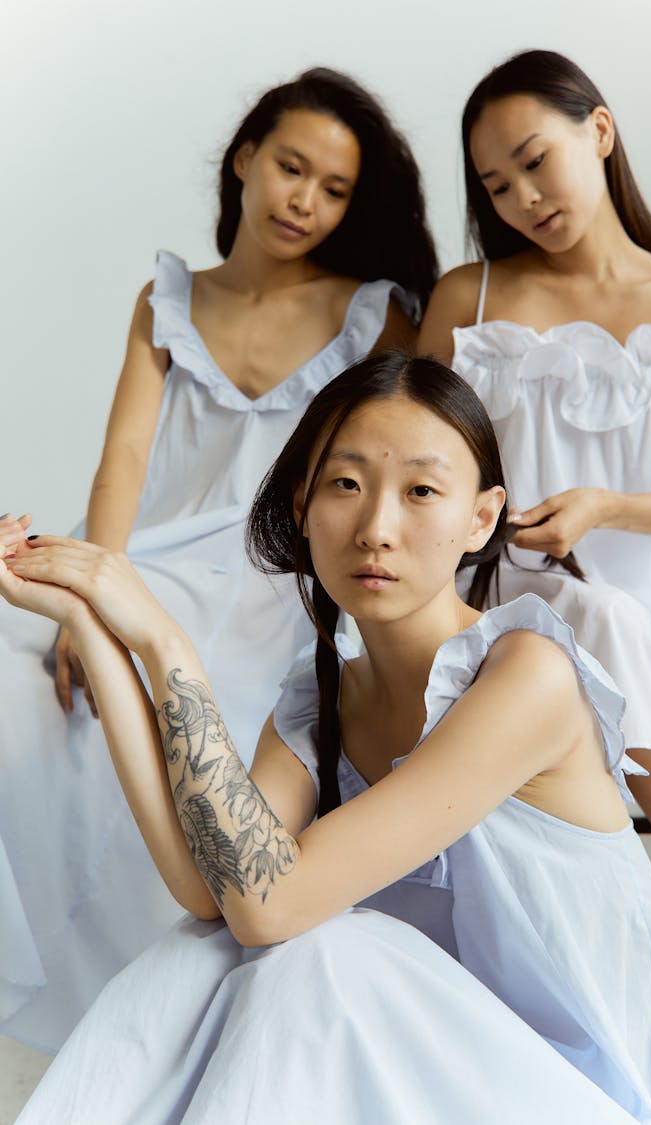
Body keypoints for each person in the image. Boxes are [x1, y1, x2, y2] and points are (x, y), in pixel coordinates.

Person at [1, 353, 651, 1124]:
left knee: (321, 950)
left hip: (576, 1086)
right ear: (302, 503)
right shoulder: (322, 695)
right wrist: (95, 628)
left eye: (422, 491)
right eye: (345, 484)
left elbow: (271, 906)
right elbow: (213, 889)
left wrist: (167, 641)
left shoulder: (527, 678)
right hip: (419, 1067)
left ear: (481, 518)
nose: (377, 528)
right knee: (202, 949)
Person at [0, 67, 438, 1049]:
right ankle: (76, 983)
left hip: (284, 576)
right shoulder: (167, 299)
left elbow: (393, 461)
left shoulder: (375, 310)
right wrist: (87, 593)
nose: (305, 202)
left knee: (209, 698)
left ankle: (184, 993)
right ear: (244, 158)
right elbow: (123, 460)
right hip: (155, 562)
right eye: (292, 169)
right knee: (24, 690)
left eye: (334, 190)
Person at [417, 48, 651, 962]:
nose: (522, 195)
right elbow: (415, 448)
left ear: (598, 131)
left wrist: (599, 508)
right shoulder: (467, 296)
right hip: (495, 600)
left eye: (535, 160)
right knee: (576, 613)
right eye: (496, 184)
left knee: (602, 612)